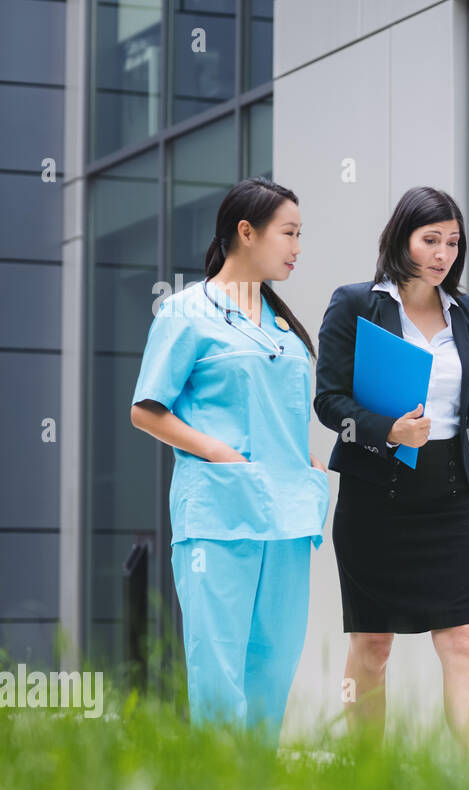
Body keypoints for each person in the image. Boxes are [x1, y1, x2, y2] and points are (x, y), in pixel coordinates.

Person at [315, 186, 469, 759]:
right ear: (401, 237)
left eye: (453, 242)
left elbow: (465, 407)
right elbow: (328, 402)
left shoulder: (468, 311)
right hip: (374, 499)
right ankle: (366, 779)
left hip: (450, 499)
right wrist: (387, 430)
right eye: (430, 239)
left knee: (463, 641)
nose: (443, 253)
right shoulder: (357, 303)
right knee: (373, 645)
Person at [130, 177, 330, 746]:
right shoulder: (186, 311)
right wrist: (219, 452)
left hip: (288, 515)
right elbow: (147, 411)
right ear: (246, 232)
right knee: (219, 672)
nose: (296, 247)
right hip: (219, 513)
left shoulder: (285, 325)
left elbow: (278, 414)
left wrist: (307, 463)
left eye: (299, 235)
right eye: (288, 233)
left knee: (273, 666)